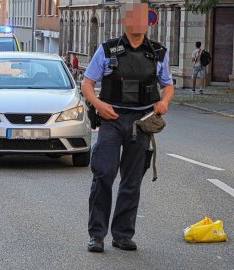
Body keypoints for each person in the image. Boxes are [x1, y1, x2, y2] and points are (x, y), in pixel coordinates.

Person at [81, 0, 174, 253]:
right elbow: (87, 84)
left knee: (132, 181)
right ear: (125, 20)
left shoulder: (158, 52)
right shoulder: (108, 50)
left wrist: (164, 102)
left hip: (141, 123)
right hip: (111, 119)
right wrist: (99, 105)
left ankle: (122, 235)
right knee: (103, 175)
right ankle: (97, 235)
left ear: (148, 21)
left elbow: (168, 84)